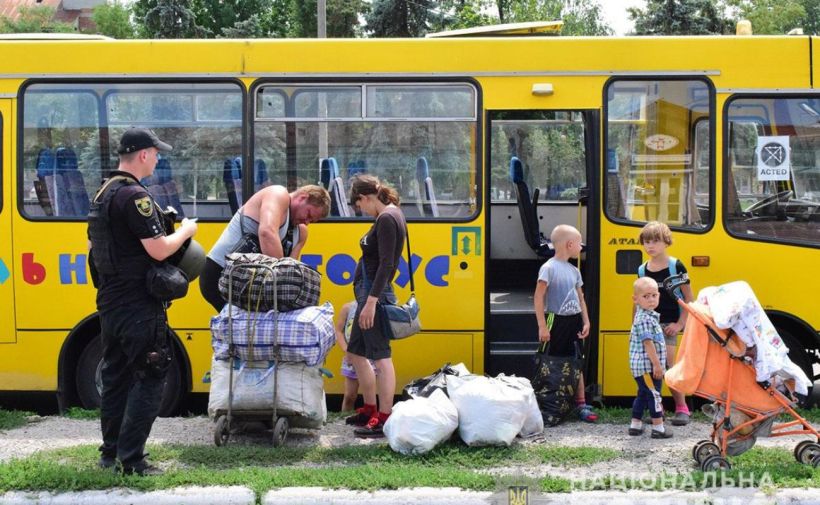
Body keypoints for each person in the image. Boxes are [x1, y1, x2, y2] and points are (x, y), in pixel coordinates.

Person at [87, 128, 198, 475]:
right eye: (156, 152)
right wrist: (186, 231)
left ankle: (110, 454)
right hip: (139, 305)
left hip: (110, 302)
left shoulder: (103, 194)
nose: (159, 158)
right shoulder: (135, 196)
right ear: (143, 155)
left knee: (116, 376)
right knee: (151, 375)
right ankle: (133, 459)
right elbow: (159, 248)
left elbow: (93, 250)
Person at [199, 184, 330, 312]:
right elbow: (267, 232)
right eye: (308, 214)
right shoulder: (278, 194)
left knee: (258, 330)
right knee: (242, 328)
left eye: (311, 221)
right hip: (220, 274)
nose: (306, 222)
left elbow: (292, 269)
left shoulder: (301, 233)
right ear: (302, 197)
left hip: (247, 282)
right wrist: (282, 280)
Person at [344, 175, 407, 438]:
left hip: (374, 297)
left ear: (366, 198)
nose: (360, 210)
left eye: (358, 205)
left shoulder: (387, 219)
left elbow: (387, 264)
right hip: (367, 296)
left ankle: (384, 416)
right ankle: (370, 407)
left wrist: (371, 302)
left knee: (380, 355)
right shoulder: (386, 217)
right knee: (356, 350)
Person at [533, 224, 598, 422]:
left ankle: (580, 404)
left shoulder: (574, 270)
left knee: (575, 360)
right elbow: (538, 297)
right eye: (580, 244)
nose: (582, 247)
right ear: (570, 244)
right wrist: (543, 326)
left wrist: (586, 321)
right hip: (556, 320)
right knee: (551, 360)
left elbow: (581, 299)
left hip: (574, 321)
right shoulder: (548, 268)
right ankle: (549, 400)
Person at [637, 221, 695, 426]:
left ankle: (682, 407)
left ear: (666, 242)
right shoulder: (642, 270)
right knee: (650, 367)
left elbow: (689, 298)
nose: (650, 246)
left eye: (655, 241)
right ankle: (655, 409)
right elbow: (639, 299)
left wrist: (680, 324)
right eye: (646, 241)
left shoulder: (676, 266)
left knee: (669, 367)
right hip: (649, 325)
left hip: (669, 324)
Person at [628, 277, 673, 438]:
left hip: (644, 367)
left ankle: (635, 424)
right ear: (636, 299)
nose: (651, 300)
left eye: (654, 295)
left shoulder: (647, 315)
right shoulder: (645, 319)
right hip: (648, 367)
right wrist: (657, 365)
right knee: (655, 395)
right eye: (646, 296)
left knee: (642, 394)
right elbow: (648, 344)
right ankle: (658, 427)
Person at [334, 301, 379, 412]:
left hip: (372, 357)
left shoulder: (379, 306)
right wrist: (347, 350)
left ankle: (370, 418)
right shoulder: (348, 308)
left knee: (370, 396)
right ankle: (345, 419)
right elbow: (338, 331)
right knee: (350, 395)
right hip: (352, 355)